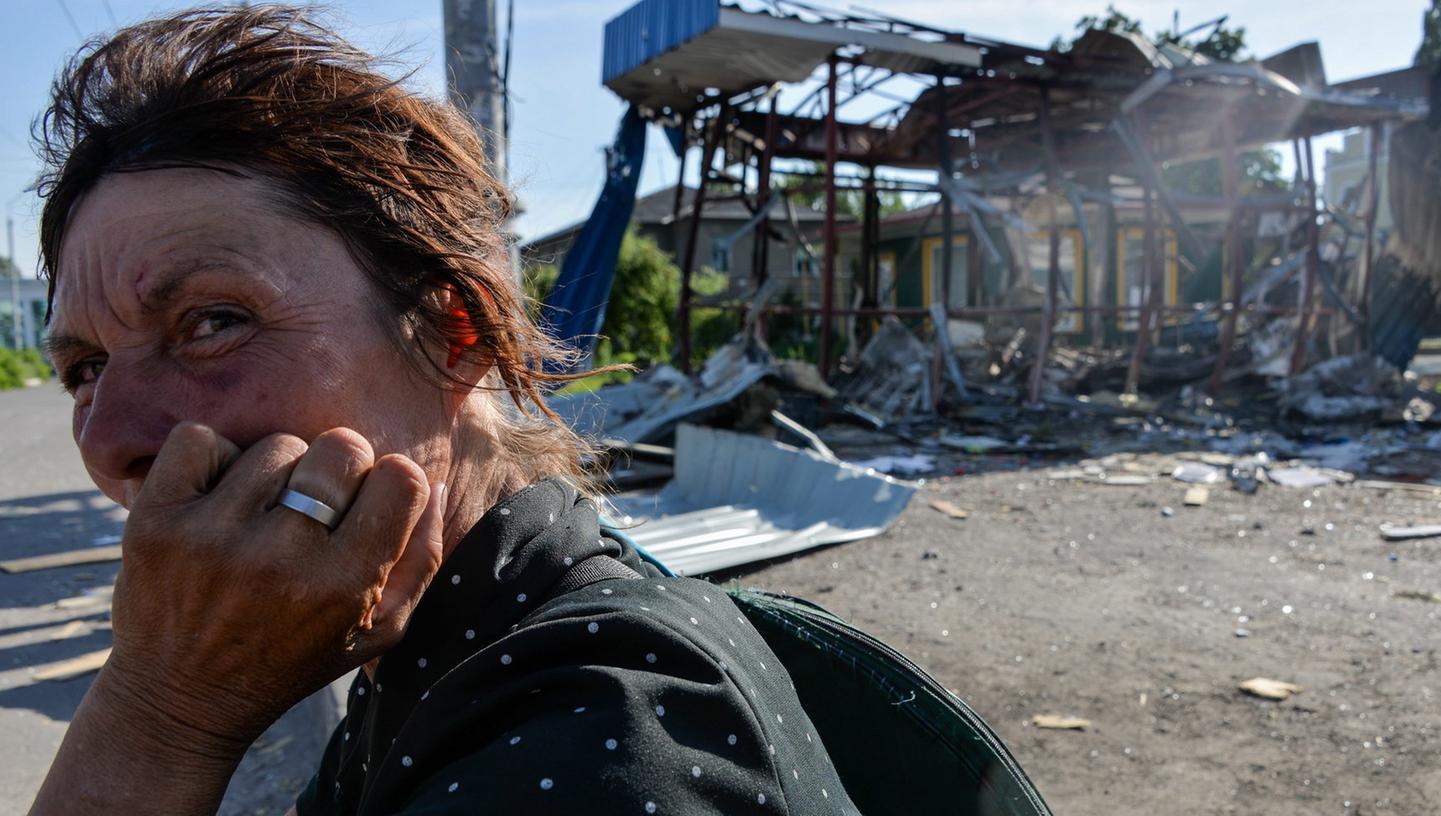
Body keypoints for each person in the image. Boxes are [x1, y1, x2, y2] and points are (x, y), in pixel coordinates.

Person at [28, 6, 859, 814]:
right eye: (87, 368)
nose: (109, 442)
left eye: (213, 323)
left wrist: (162, 717)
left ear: (455, 330)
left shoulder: (600, 737)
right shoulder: (441, 652)